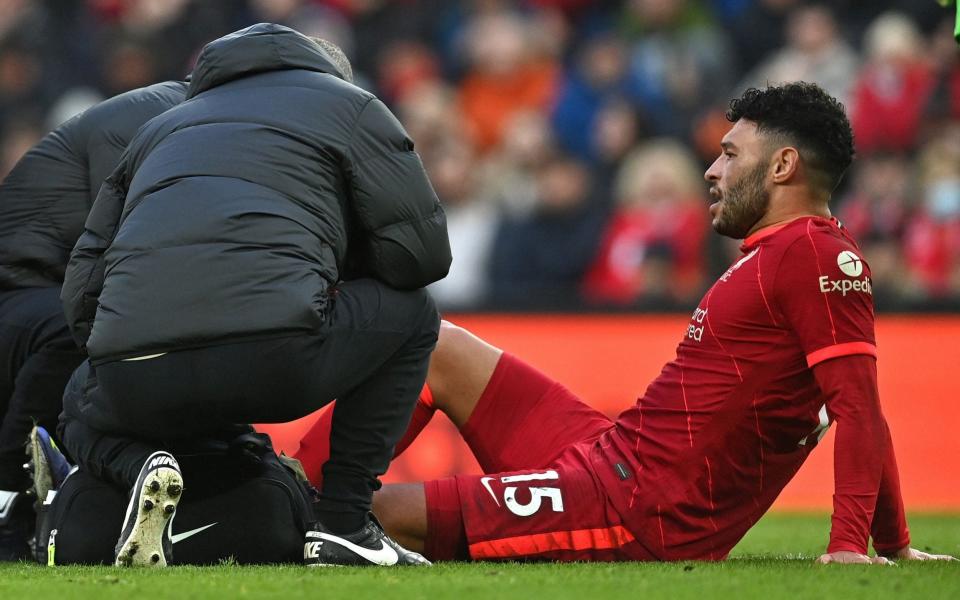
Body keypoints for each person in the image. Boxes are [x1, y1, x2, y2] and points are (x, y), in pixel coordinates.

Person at [296, 82, 956, 564]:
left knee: (371, 516)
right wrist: (894, 544)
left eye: (730, 154)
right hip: (610, 454)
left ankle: (287, 510)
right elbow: (859, 403)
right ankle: (290, 484)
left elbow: (859, 408)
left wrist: (852, 548)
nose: (713, 169)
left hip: (640, 513)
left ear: (783, 166)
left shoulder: (814, 256)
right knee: (435, 342)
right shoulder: (787, 255)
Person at [59, 23, 450, 568]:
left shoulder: (157, 128)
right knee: (414, 314)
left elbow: (81, 291)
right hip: (274, 355)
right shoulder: (352, 106)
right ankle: (343, 523)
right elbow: (422, 257)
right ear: (324, 73)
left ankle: (140, 464)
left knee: (80, 390)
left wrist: (132, 347)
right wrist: (336, 266)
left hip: (136, 370)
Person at [0, 79, 188, 560]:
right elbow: (126, 240)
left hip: (49, 287)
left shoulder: (173, 116)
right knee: (81, 327)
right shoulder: (149, 118)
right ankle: (8, 497)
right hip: (20, 291)